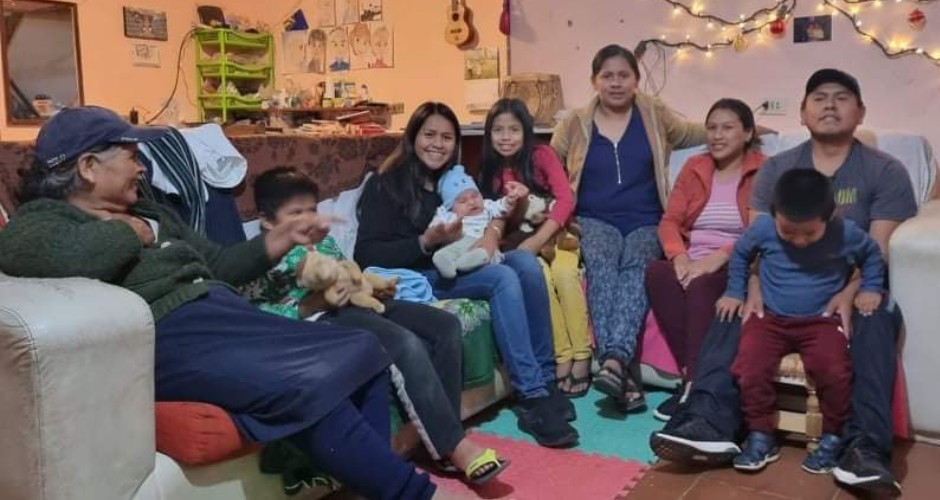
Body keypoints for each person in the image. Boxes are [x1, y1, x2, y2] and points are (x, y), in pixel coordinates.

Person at [0, 106, 438, 500]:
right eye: (131, 154)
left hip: (222, 314)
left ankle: (367, 487)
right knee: (308, 382)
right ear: (89, 166)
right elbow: (55, 256)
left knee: (365, 350)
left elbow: (219, 264)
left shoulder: (152, 209)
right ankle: (412, 493)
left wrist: (281, 237)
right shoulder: (39, 222)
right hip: (171, 333)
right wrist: (134, 232)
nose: (142, 165)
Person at [651, 69, 917, 497]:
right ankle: (710, 418)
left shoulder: (884, 171)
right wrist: (751, 286)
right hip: (777, 288)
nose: (830, 104)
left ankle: (864, 448)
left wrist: (850, 292)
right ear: (803, 111)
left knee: (876, 312)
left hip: (852, 284)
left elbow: (877, 250)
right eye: (819, 97)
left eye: (842, 97)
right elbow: (755, 243)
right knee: (729, 300)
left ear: (860, 110)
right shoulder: (778, 168)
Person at [243, 166, 509, 485]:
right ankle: (454, 446)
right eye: (296, 214)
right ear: (267, 220)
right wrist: (308, 306)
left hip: (359, 300)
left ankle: (441, 435)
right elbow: (259, 317)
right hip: (323, 318)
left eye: (313, 211)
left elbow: (351, 272)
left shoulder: (322, 242)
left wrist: (371, 285)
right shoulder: (259, 260)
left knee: (444, 325)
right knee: (404, 342)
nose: (309, 221)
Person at [355, 101, 579, 448]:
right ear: (413, 137)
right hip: (415, 276)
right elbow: (366, 254)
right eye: (429, 134)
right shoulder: (387, 185)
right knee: (503, 279)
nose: (438, 144)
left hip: (455, 265)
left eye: (447, 137)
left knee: (524, 264)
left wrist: (492, 234)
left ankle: (546, 380)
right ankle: (531, 396)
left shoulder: (453, 180)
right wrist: (425, 242)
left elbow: (490, 216)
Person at [551, 44, 709, 411]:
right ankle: (621, 366)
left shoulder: (653, 113)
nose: (616, 83)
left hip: (647, 218)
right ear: (595, 81)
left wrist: (742, 127)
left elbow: (690, 132)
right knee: (603, 266)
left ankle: (611, 364)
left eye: (624, 75)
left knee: (639, 267)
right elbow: (550, 165)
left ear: (636, 80)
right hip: (592, 218)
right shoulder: (574, 123)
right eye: (607, 76)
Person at [717, 169, 883, 473]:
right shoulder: (764, 227)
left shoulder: (846, 233)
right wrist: (734, 291)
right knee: (748, 366)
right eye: (788, 232)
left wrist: (870, 287)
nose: (799, 240)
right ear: (774, 214)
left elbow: (872, 254)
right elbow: (740, 254)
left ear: (831, 215)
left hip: (820, 320)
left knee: (835, 370)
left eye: (809, 233)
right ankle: (760, 434)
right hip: (769, 318)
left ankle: (833, 437)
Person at [644, 98, 766, 420]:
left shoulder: (762, 169)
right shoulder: (694, 167)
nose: (717, 135)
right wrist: (679, 256)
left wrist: (718, 258)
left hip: (734, 261)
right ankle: (691, 379)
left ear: (748, 132)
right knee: (657, 273)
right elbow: (669, 221)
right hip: (692, 256)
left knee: (700, 288)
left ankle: (695, 385)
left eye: (727, 128)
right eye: (711, 128)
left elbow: (759, 232)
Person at [479, 98, 591, 398]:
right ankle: (561, 355)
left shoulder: (541, 154)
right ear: (488, 134)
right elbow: (497, 218)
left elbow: (566, 200)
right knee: (538, 279)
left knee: (565, 277)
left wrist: (536, 241)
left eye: (513, 130)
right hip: (521, 244)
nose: (506, 137)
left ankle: (582, 355)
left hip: (559, 236)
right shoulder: (491, 170)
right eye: (498, 130)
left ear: (525, 132)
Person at [430, 165, 524, 278]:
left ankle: (471, 261)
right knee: (453, 248)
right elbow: (436, 227)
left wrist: (509, 201)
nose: (471, 202)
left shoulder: (487, 206)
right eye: (463, 201)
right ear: (451, 207)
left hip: (483, 243)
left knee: (483, 252)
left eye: (475, 196)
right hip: (460, 241)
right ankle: (444, 259)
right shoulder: (449, 215)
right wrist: (440, 230)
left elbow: (501, 207)